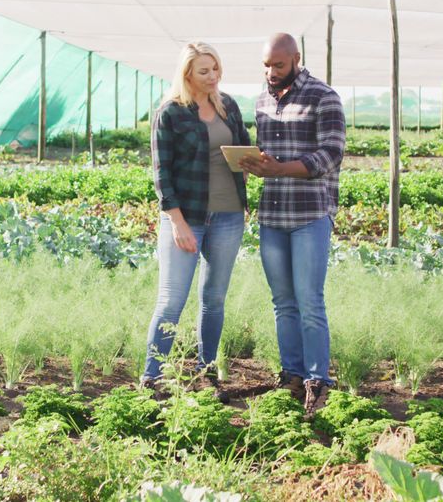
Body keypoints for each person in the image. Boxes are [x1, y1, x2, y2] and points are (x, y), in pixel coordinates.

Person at [239, 33, 346, 415]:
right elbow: (270, 155)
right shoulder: (262, 101)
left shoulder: (324, 96)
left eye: (278, 65)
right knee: (283, 303)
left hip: (309, 215)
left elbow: (331, 154)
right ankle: (292, 375)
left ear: (296, 59)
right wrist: (256, 165)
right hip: (272, 214)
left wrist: (281, 169)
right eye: (266, 65)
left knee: (309, 300)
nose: (271, 72)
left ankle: (319, 381)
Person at [142, 42, 251, 400]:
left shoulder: (228, 106)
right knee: (172, 299)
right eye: (204, 71)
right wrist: (177, 222)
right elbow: (162, 175)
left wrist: (254, 164)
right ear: (187, 73)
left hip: (229, 214)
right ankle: (152, 378)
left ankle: (206, 372)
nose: (213, 77)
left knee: (214, 298)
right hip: (186, 217)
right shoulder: (170, 113)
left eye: (216, 69)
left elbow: (246, 148)